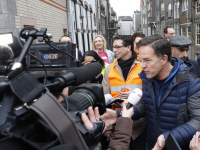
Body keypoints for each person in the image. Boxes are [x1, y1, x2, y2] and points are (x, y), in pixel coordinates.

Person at [101, 34, 200, 150]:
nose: (142, 66)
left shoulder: (190, 82)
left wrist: (168, 137)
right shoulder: (147, 78)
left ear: (163, 59)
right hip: (152, 144)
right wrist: (118, 114)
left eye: (147, 60)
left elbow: (198, 120)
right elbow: (144, 104)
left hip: (176, 146)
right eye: (141, 60)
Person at [102, 35, 146, 150]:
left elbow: (151, 92)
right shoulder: (110, 68)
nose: (114, 50)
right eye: (113, 47)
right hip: (117, 121)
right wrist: (108, 128)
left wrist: (137, 93)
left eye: (117, 47)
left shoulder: (143, 65)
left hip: (140, 124)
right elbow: (104, 96)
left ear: (128, 48)